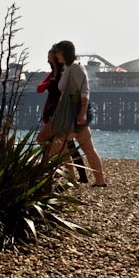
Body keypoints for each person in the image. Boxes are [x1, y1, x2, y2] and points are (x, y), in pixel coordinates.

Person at [48, 40, 107, 187]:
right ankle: (99, 182)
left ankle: (70, 179)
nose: (56, 55)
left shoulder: (76, 67)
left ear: (63, 52)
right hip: (73, 112)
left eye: (57, 52)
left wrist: (82, 113)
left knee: (57, 145)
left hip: (77, 113)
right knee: (88, 149)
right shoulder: (69, 68)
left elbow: (85, 90)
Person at [37, 46, 88, 183]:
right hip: (52, 109)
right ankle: (67, 173)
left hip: (61, 112)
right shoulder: (53, 73)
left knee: (62, 144)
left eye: (49, 55)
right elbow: (39, 88)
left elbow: (80, 90)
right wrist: (50, 81)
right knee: (61, 144)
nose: (47, 58)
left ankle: (74, 174)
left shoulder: (64, 72)